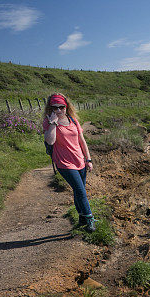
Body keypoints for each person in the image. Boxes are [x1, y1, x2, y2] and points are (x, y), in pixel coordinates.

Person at [43, 93, 95, 232]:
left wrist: (88, 159)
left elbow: (82, 141)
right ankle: (90, 219)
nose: (59, 110)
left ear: (66, 107)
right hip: (64, 163)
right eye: (55, 108)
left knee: (79, 191)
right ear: (50, 108)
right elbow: (50, 141)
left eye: (61, 107)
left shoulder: (73, 120)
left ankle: (82, 217)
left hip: (79, 160)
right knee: (80, 190)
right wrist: (53, 123)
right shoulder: (48, 122)